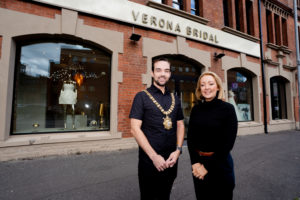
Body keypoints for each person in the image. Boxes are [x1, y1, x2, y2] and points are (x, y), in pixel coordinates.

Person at [129, 57, 185, 200]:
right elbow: (135, 129)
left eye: (166, 71)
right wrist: (154, 157)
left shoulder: (175, 98)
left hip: (171, 160)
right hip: (149, 161)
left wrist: (178, 150)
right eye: (158, 70)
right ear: (152, 73)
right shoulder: (141, 97)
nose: (162, 74)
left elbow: (180, 124)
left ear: (170, 74)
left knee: (165, 195)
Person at [187, 71, 238, 200]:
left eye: (210, 83)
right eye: (203, 85)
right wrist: (195, 163)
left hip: (220, 165)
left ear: (218, 87)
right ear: (199, 89)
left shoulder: (228, 109)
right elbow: (191, 139)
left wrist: (206, 167)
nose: (207, 88)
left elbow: (227, 144)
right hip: (199, 165)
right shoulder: (196, 110)